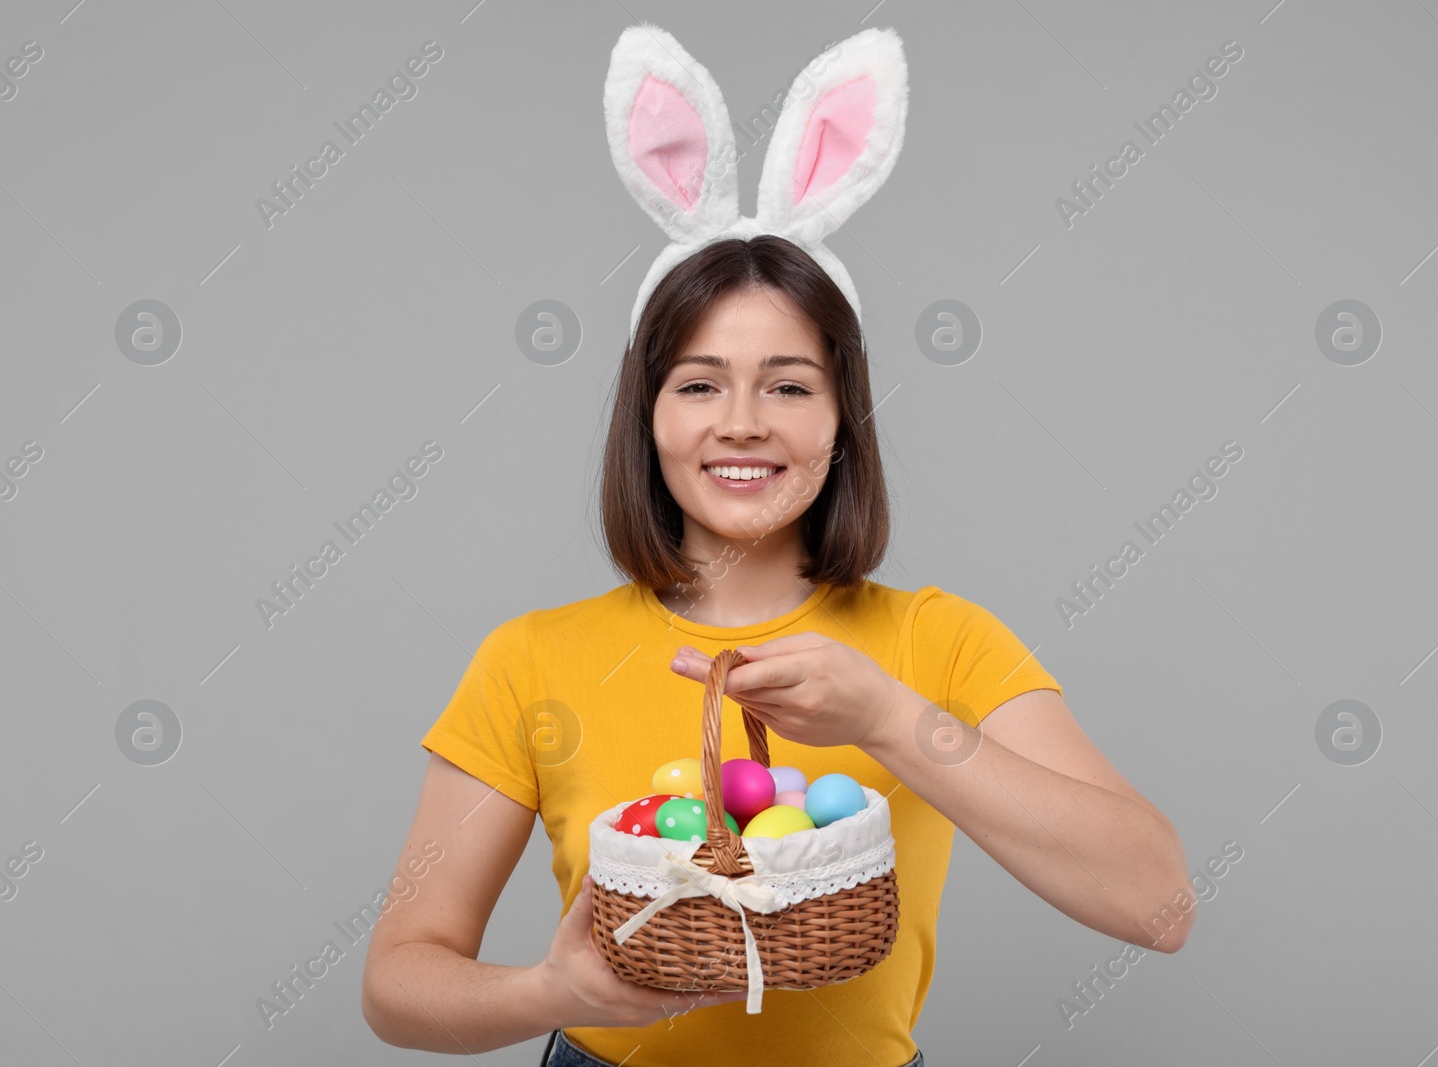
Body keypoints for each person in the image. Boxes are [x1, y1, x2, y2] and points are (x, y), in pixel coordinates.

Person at [362, 24, 1194, 1067]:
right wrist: (550, 988)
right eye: (699, 383)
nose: (744, 422)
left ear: (843, 419)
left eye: (789, 385)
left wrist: (892, 719)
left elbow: (1157, 902)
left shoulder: (940, 642)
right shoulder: (530, 658)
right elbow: (398, 980)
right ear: (648, 417)